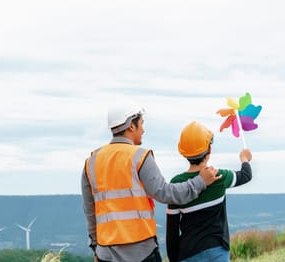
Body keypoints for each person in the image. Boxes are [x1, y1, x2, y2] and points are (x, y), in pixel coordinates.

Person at [81, 104, 222, 262]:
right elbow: (165, 193)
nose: (143, 129)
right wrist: (200, 182)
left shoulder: (91, 162)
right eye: (141, 124)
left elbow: (90, 211)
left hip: (105, 254)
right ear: (131, 126)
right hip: (142, 252)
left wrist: (95, 246)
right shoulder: (139, 157)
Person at [166, 121, 253, 262]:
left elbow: (172, 230)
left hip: (188, 252)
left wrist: (173, 259)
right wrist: (244, 159)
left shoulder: (176, 183)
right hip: (217, 250)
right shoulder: (219, 177)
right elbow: (245, 175)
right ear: (209, 150)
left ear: (183, 152)